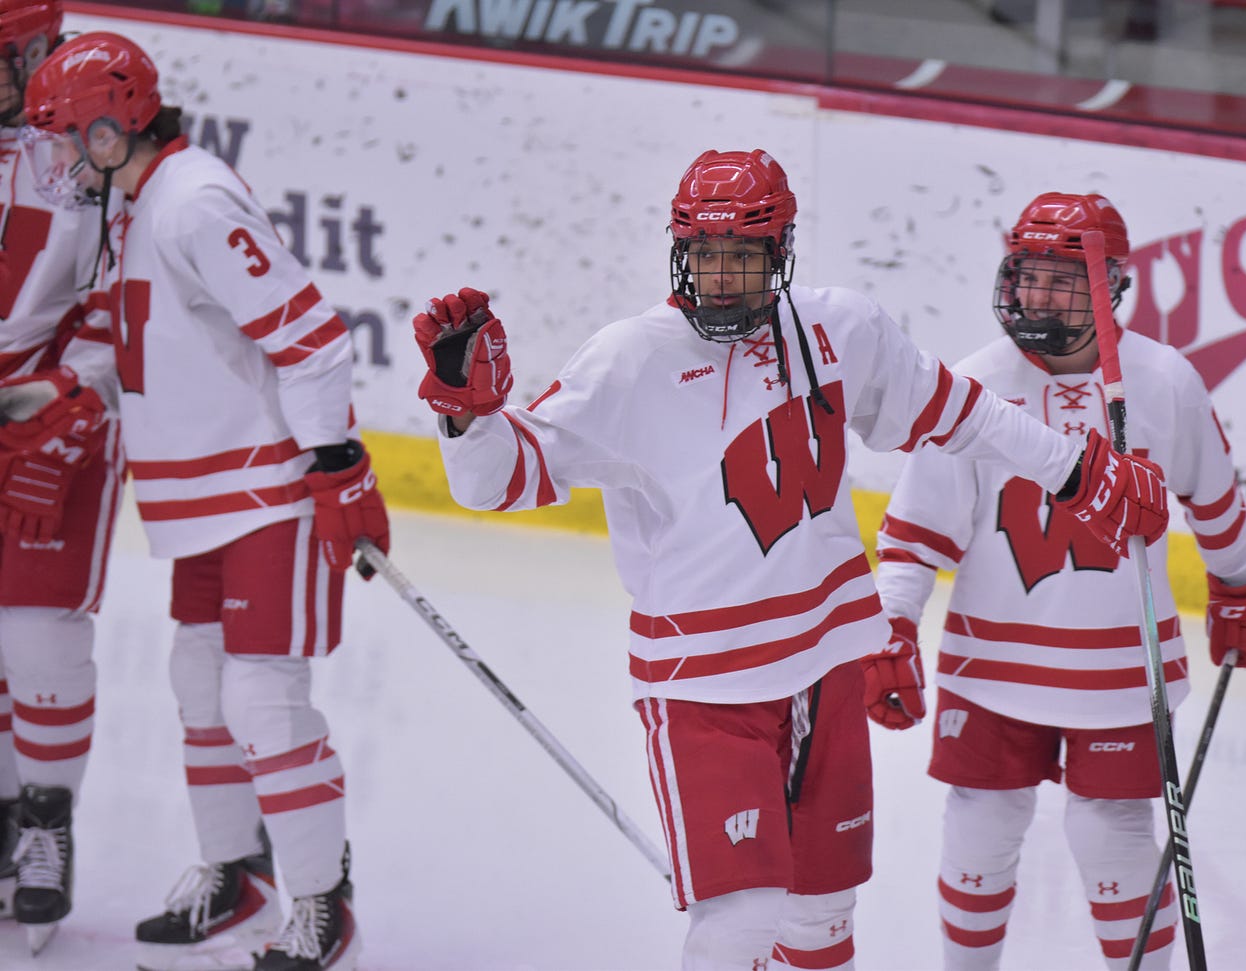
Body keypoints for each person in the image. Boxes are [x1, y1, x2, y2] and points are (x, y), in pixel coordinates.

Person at [413, 150, 1169, 967]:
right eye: (707, 255)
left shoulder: (840, 327)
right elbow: (498, 481)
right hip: (705, 687)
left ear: (781, 253)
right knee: (741, 919)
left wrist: (1074, 468)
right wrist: (468, 412)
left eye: (744, 255)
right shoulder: (628, 358)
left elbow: (960, 411)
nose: (725, 275)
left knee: (821, 919)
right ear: (681, 253)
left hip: (826, 668)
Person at [23, 31, 389, 971]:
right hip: (205, 501)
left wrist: (339, 462)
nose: (57, 161)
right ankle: (238, 875)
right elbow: (119, 329)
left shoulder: (194, 201)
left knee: (263, 700)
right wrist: (62, 395)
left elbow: (313, 337)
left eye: (66, 139)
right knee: (200, 684)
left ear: (110, 132)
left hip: (266, 490)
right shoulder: (135, 207)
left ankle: (321, 907)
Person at [871, 192, 1246, 970]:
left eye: (1065, 279)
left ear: (1112, 283)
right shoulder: (974, 383)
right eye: (1031, 275)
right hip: (988, 664)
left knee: (1112, 837)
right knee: (980, 829)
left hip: (1121, 668)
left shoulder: (1164, 380)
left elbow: (1214, 500)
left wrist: (1241, 582)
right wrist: (895, 623)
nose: (1041, 295)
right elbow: (915, 530)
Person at [0, 0, 124, 947]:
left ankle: (45, 821)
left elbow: (127, 285)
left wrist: (69, 398)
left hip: (48, 414)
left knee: (38, 633)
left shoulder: (91, 142)